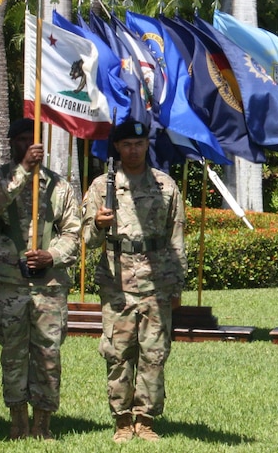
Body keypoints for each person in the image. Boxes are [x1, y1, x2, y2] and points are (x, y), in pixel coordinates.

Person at [0, 118, 81, 440]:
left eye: (32, 141)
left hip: (48, 285)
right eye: (21, 140)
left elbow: (74, 233)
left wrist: (53, 255)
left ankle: (43, 422)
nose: (28, 145)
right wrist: (22, 171)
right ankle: (17, 419)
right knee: (13, 352)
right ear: (13, 144)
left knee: (48, 352)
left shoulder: (59, 186)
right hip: (9, 281)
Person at [82, 120, 186, 442]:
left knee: (154, 354)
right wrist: (99, 224)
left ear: (147, 145)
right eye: (126, 144)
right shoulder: (102, 187)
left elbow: (177, 238)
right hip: (117, 284)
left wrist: (176, 285)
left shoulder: (165, 186)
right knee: (118, 353)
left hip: (156, 284)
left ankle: (146, 420)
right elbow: (86, 238)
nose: (133, 149)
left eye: (139, 144)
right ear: (117, 147)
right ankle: (122, 420)